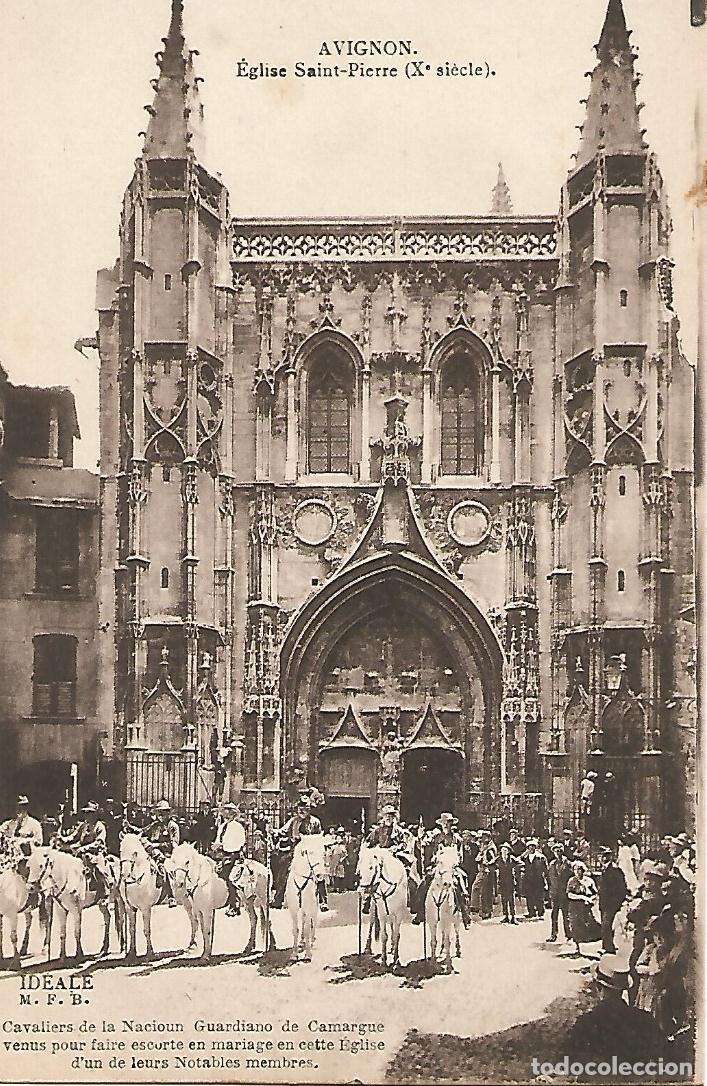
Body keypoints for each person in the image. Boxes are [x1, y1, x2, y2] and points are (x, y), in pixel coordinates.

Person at [566, 953, 665, 1063]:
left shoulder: (585, 1023)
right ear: (624, 988)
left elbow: (571, 1062)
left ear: (598, 988)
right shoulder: (645, 1020)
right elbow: (661, 1057)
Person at [273, 796, 328, 911]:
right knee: (284, 869)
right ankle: (278, 899)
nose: (302, 811)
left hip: (311, 849)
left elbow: (318, 838)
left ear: (309, 809)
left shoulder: (315, 822)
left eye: (305, 808)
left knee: (319, 871)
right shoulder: (294, 821)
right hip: (296, 849)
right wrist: (274, 831)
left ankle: (323, 901)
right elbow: (283, 831)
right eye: (300, 808)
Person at [62, 801, 111, 900]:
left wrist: (83, 848)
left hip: (95, 852)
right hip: (80, 852)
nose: (87, 815)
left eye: (90, 813)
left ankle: (103, 888)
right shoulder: (83, 825)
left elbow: (99, 843)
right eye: (86, 813)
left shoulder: (100, 826)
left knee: (96, 866)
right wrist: (63, 840)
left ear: (95, 814)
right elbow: (74, 836)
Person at [211, 802, 246, 916]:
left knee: (231, 878)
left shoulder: (237, 827)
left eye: (228, 812)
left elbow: (239, 843)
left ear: (232, 814)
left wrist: (223, 846)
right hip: (222, 855)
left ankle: (234, 904)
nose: (225, 815)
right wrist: (216, 845)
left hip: (233, 855)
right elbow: (218, 839)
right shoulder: (222, 827)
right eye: (224, 812)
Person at [143, 799, 180, 904]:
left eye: (163, 812)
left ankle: (170, 896)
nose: (160, 815)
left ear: (168, 813)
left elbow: (174, 844)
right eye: (159, 812)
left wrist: (157, 846)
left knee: (165, 868)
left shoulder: (172, 826)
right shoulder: (155, 825)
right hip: (153, 852)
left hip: (167, 853)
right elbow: (143, 832)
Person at [566, 860, 601, 956]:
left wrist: (590, 899)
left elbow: (595, 893)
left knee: (588, 926)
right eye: (575, 869)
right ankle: (577, 947)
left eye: (579, 869)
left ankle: (588, 948)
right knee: (575, 926)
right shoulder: (571, 881)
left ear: (583, 870)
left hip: (586, 908)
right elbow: (569, 894)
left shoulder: (589, 881)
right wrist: (582, 897)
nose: (577, 871)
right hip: (575, 907)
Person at [597, 846, 628, 954]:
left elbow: (622, 888)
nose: (602, 858)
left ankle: (609, 948)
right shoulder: (603, 870)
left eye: (605, 856)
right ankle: (606, 946)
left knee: (607, 925)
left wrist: (617, 901)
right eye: (601, 856)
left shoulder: (615, 870)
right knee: (605, 925)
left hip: (611, 903)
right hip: (603, 902)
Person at [547, 843, 572, 943]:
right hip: (554, 892)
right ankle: (554, 934)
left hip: (564, 892)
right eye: (556, 851)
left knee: (566, 914)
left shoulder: (568, 863)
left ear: (562, 851)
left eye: (559, 851)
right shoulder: (552, 864)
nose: (558, 853)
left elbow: (571, 878)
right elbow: (549, 878)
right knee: (554, 914)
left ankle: (569, 934)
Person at [470, 830, 497, 920]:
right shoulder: (484, 846)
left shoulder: (491, 848)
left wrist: (487, 864)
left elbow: (493, 859)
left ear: (488, 838)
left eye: (483, 837)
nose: (481, 839)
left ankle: (486, 911)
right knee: (479, 889)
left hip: (487, 871)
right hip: (482, 870)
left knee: (486, 891)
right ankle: (478, 908)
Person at [522, 838, 548, 919]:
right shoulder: (525, 857)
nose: (531, 848)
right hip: (528, 880)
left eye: (533, 846)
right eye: (529, 847)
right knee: (529, 896)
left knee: (539, 896)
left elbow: (545, 869)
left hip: (538, 879)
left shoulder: (540, 857)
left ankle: (540, 911)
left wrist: (546, 880)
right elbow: (519, 862)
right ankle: (531, 912)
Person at [497, 842, 520, 923]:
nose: (504, 851)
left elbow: (520, 863)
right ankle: (506, 916)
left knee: (511, 899)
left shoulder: (512, 858)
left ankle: (513, 917)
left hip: (510, 881)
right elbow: (490, 864)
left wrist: (515, 871)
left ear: (508, 851)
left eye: (506, 850)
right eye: (503, 849)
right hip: (502, 881)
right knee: (504, 900)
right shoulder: (498, 859)